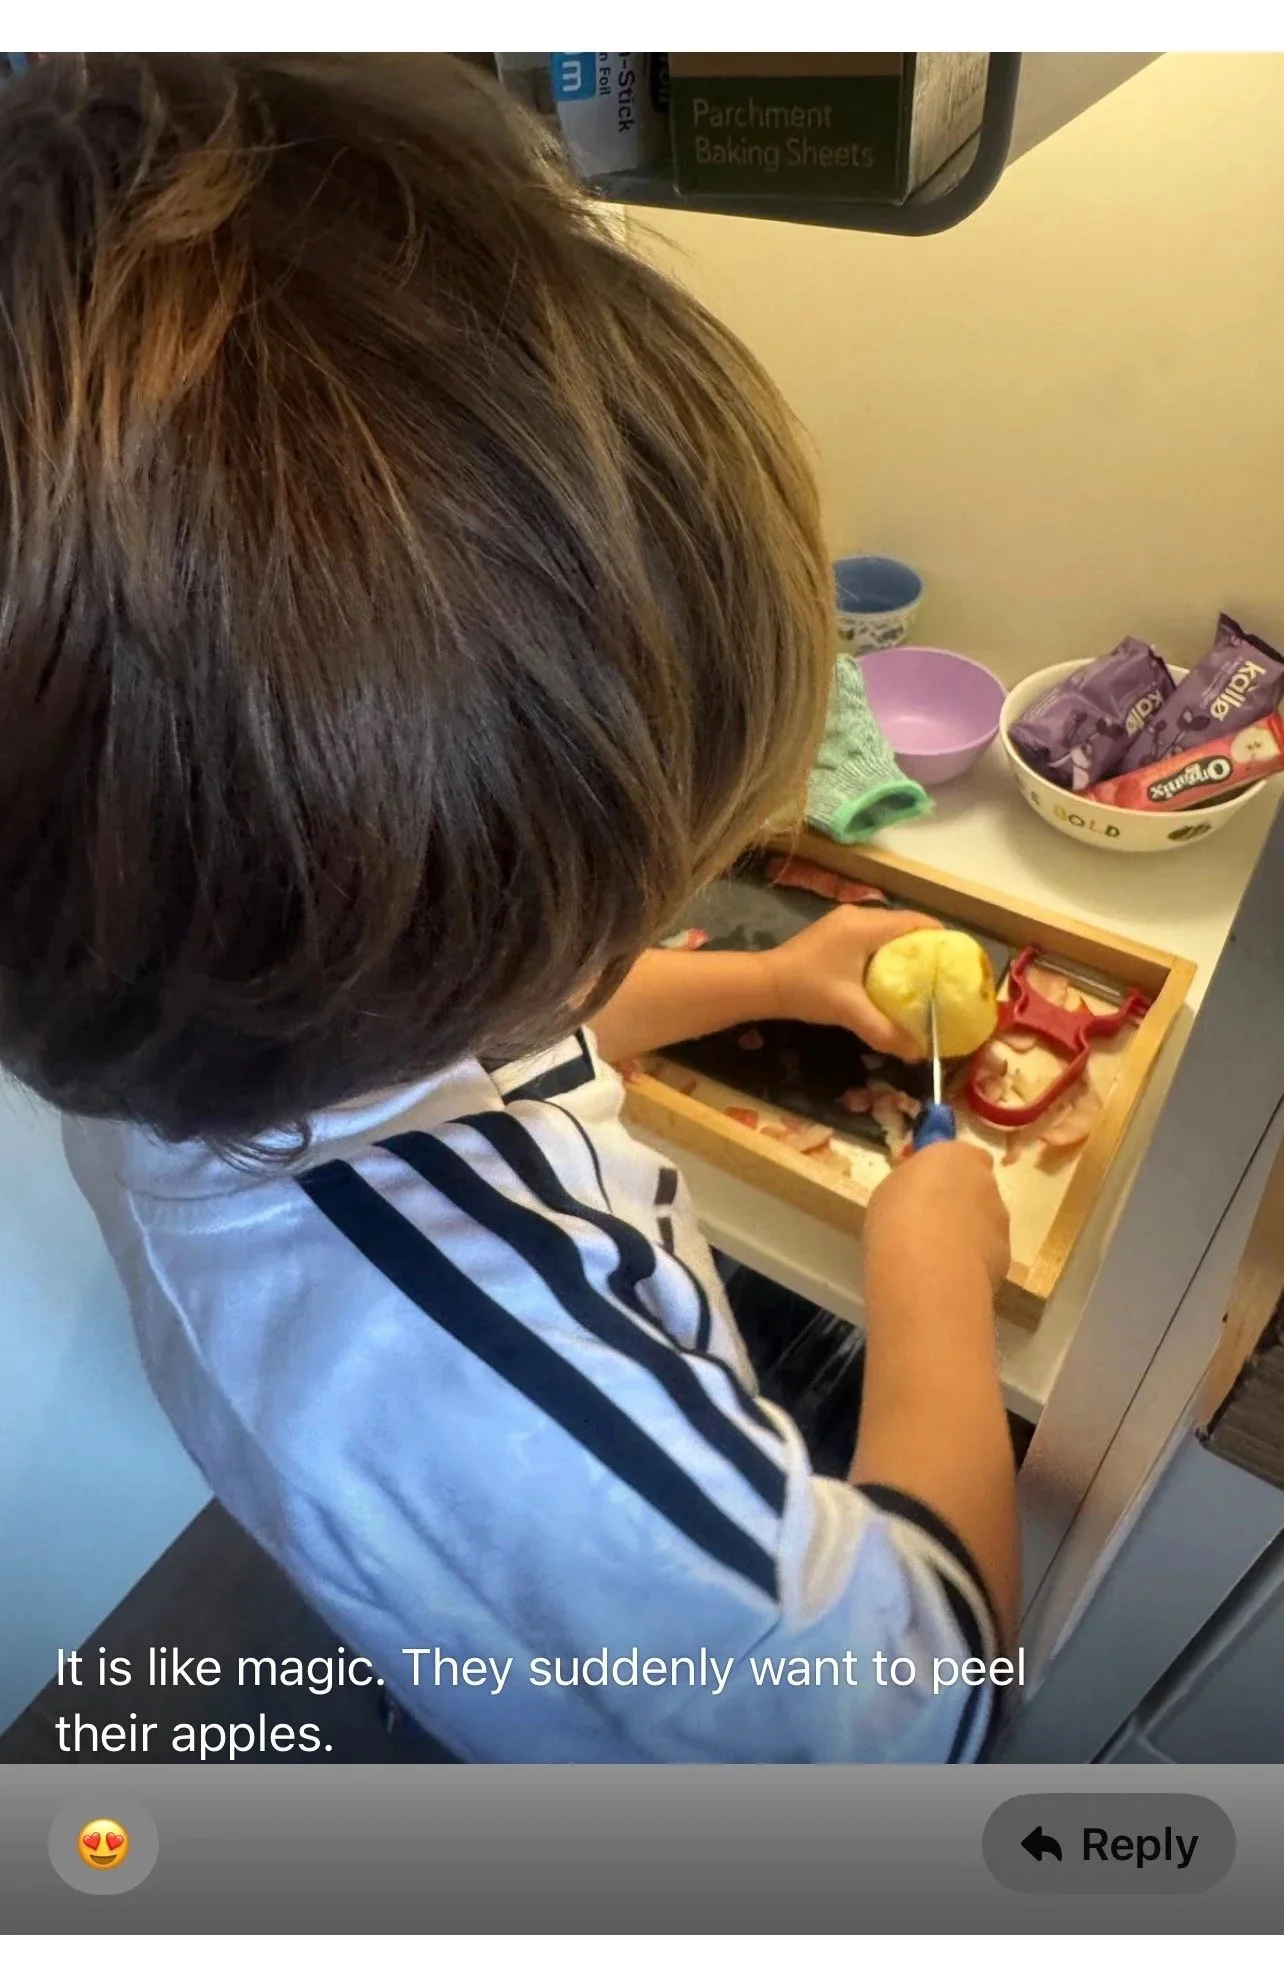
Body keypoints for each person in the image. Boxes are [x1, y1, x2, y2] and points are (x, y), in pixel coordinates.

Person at [0, 53, 1015, 1763]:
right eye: (622, 913)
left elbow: (469, 1060)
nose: (637, 939)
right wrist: (932, 1288)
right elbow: (917, 1714)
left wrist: (757, 983)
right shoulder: (499, 1381)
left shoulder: (205, 1038)